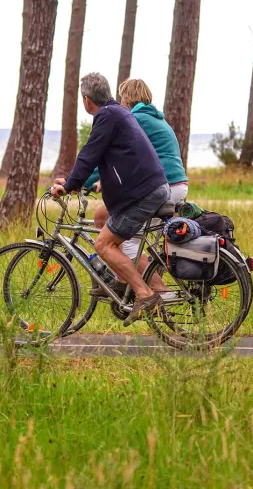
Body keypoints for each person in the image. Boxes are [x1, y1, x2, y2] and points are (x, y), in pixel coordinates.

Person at [51, 73, 170, 326]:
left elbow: (90, 153)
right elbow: (102, 158)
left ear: (86, 100)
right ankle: (137, 286)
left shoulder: (107, 116)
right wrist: (75, 182)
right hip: (147, 189)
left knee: (104, 245)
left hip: (143, 193)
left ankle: (145, 294)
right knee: (107, 224)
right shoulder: (118, 112)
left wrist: (69, 185)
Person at [84, 78, 188, 299]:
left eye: (122, 97)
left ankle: (157, 293)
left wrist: (83, 181)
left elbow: (108, 152)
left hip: (162, 186)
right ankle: (125, 281)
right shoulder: (156, 119)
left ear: (127, 98)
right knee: (102, 216)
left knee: (127, 241)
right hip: (177, 185)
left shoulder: (135, 119)